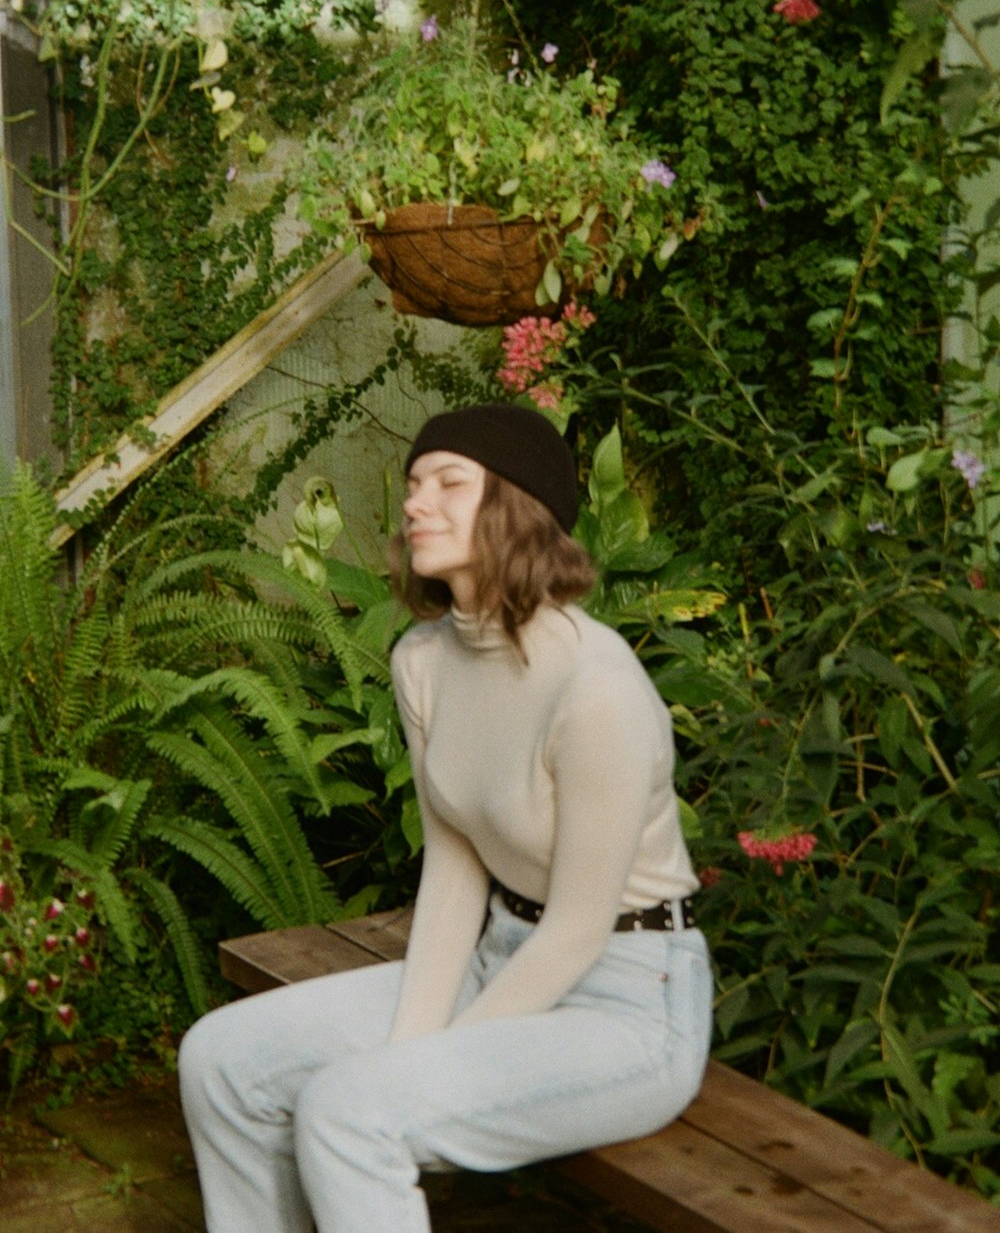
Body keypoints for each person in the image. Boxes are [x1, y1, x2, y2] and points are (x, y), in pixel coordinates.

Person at [179, 402, 712, 1233]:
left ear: (517, 510)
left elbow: (576, 930)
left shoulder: (596, 684)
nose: (414, 503)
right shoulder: (422, 663)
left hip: (629, 1003)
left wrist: (420, 1065)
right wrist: (415, 1042)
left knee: (353, 1112)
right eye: (414, 485)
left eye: (448, 484)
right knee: (220, 1060)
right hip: (496, 958)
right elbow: (456, 872)